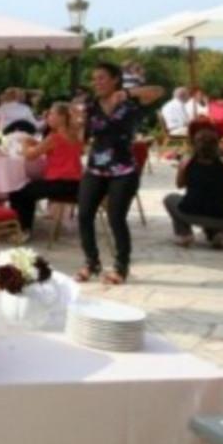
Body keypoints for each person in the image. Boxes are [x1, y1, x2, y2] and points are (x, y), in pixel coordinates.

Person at [75, 62, 164, 285]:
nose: (97, 82)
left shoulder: (131, 102)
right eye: (94, 78)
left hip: (124, 170)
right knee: (84, 215)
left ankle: (121, 267)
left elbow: (159, 91)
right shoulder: (90, 105)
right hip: (96, 167)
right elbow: (81, 141)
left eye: (102, 78)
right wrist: (76, 125)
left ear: (115, 79)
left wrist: (126, 93)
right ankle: (91, 262)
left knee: (116, 218)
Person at [7, 103, 83, 234]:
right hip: (76, 184)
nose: (48, 117)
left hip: (59, 184)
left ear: (62, 117)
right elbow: (54, 148)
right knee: (27, 188)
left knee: (18, 190)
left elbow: (30, 156)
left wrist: (25, 142)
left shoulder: (54, 137)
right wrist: (36, 143)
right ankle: (21, 226)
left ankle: (23, 229)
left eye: (52, 114)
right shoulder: (74, 135)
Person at [164, 127, 223, 249]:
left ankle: (184, 233)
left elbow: (179, 185)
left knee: (170, 199)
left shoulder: (186, 162)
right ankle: (217, 233)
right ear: (217, 145)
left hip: (191, 211)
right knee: (218, 202)